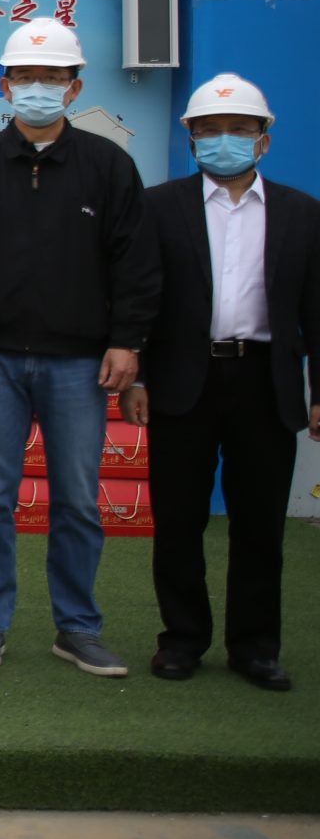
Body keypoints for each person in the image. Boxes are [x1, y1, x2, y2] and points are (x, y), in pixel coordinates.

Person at [0, 17, 158, 678]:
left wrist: (127, 342)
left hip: (80, 362)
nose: (37, 88)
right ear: (5, 87)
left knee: (78, 499)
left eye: (51, 77)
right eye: (25, 76)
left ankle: (78, 627)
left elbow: (135, 264)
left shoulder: (108, 166)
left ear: (74, 87)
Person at [132, 73, 314, 692]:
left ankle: (255, 647)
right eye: (210, 130)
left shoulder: (302, 213)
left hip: (266, 380)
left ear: (264, 139)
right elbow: (141, 297)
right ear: (191, 139)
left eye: (239, 129)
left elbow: (316, 309)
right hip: (184, 378)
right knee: (179, 519)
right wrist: (137, 374)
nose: (224, 140)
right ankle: (182, 639)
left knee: (259, 522)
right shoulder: (159, 207)